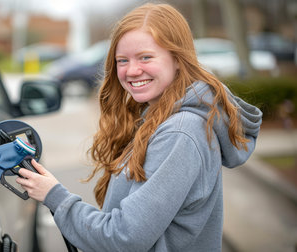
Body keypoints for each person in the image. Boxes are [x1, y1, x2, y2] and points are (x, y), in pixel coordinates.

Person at [16, 3, 262, 251]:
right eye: (122, 60)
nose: (132, 70)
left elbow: (125, 237)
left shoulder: (180, 132)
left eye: (146, 57)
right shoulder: (156, 116)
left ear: (178, 59)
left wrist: (55, 196)